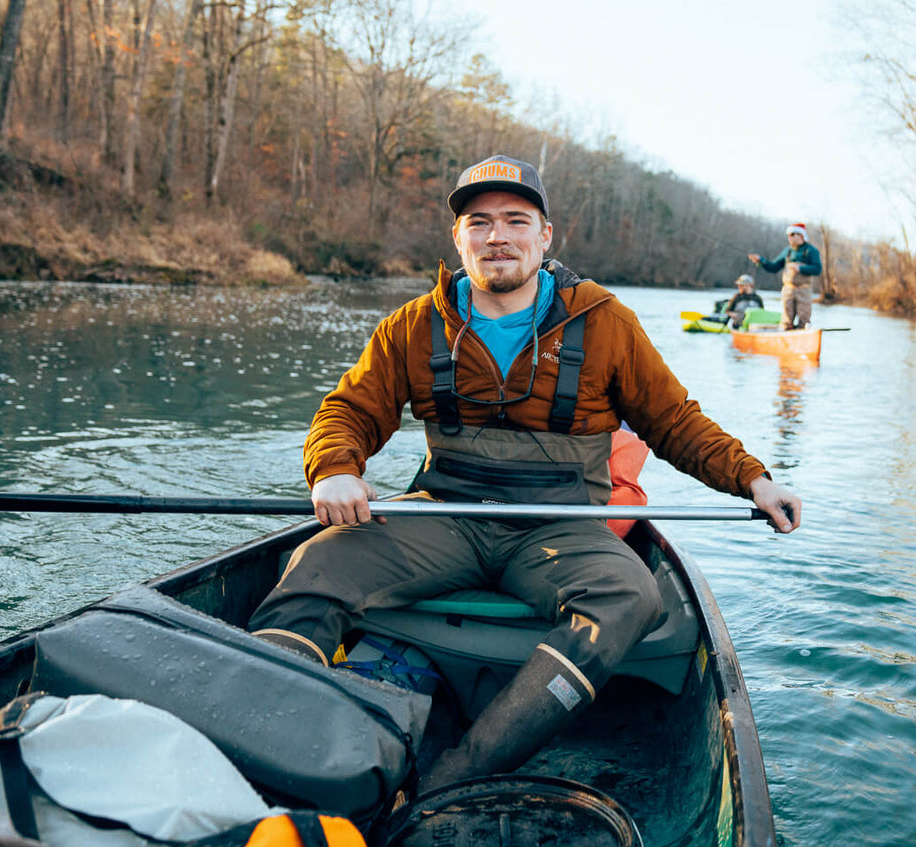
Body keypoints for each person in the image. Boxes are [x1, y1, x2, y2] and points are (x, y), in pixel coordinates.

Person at [247, 154, 802, 794]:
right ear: (458, 239)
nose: (497, 236)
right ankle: (277, 739)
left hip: (563, 529)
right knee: (316, 563)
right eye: (479, 223)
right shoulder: (412, 325)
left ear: (545, 235)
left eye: (516, 220)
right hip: (446, 515)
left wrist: (754, 480)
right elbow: (348, 411)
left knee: (632, 595)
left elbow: (674, 421)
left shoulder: (605, 323)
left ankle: (459, 775)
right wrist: (335, 470)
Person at [748, 223, 822, 330]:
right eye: (788, 235)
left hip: (804, 290)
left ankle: (803, 336)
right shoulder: (787, 251)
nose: (789, 237)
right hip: (788, 290)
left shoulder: (811, 251)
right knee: (787, 320)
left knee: (804, 320)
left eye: (792, 234)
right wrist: (761, 261)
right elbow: (774, 267)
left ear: (800, 235)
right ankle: (786, 336)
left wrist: (801, 268)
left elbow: (817, 269)